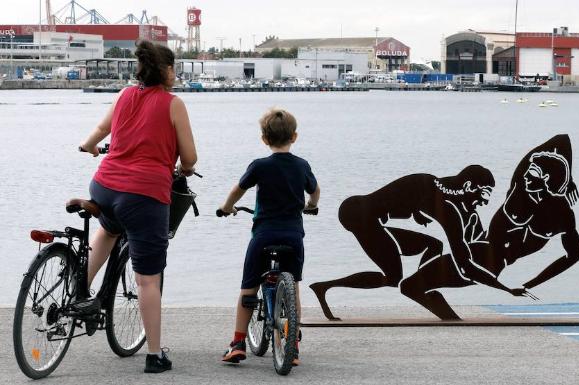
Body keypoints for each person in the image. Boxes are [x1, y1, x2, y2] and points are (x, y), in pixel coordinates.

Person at [79, 40, 197, 373]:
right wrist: (185, 170)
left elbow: (102, 131)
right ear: (167, 70)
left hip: (103, 186)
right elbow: (189, 158)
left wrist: (88, 146)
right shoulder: (174, 104)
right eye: (174, 68)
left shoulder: (124, 94)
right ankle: (154, 355)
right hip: (144, 196)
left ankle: (78, 291)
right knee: (148, 279)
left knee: (109, 227)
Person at [311, 165, 531, 321]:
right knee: (392, 277)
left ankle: (421, 288)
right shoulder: (445, 206)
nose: (484, 201)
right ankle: (325, 287)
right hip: (358, 215)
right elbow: (464, 263)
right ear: (467, 186)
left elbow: (408, 194)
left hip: (367, 214)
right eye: (483, 193)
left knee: (434, 245)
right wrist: (504, 289)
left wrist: (415, 211)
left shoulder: (438, 187)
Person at [399, 135, 579, 320]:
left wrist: (533, 282)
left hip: (484, 262)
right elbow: (561, 139)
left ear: (547, 178)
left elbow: (573, 256)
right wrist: (569, 179)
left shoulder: (562, 215)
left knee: (409, 287)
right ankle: (447, 315)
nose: (526, 175)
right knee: (410, 286)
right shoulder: (519, 190)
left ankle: (450, 317)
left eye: (532, 173)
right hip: (478, 252)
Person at [219, 108, 320, 366]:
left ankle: (238, 342)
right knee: (293, 284)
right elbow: (315, 190)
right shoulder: (302, 165)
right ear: (294, 137)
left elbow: (238, 190)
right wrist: (311, 204)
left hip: (264, 235)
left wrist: (226, 207)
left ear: (264, 139)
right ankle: (292, 344)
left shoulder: (260, 166)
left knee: (249, 286)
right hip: (293, 236)